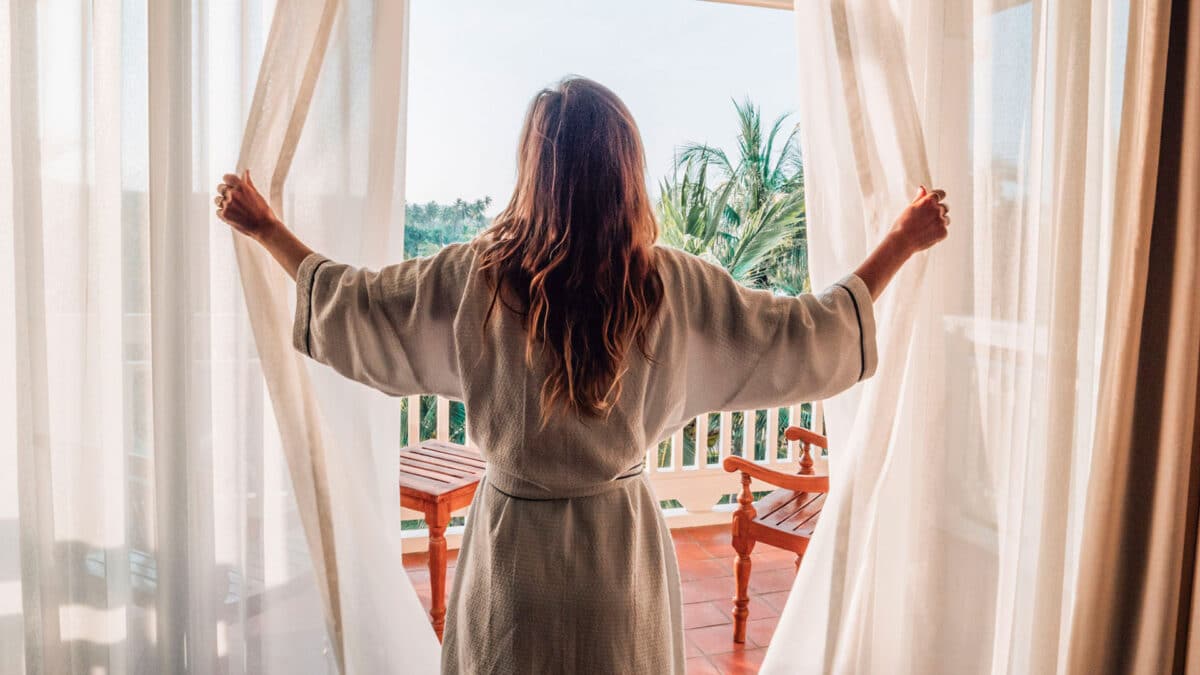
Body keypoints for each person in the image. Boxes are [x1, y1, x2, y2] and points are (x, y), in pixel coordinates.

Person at [214, 76, 948, 674]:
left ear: (535, 171)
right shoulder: (673, 287)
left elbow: (361, 305)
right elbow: (799, 334)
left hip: (512, 563)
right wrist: (898, 242)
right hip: (617, 562)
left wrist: (267, 228)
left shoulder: (476, 278)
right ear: (626, 171)